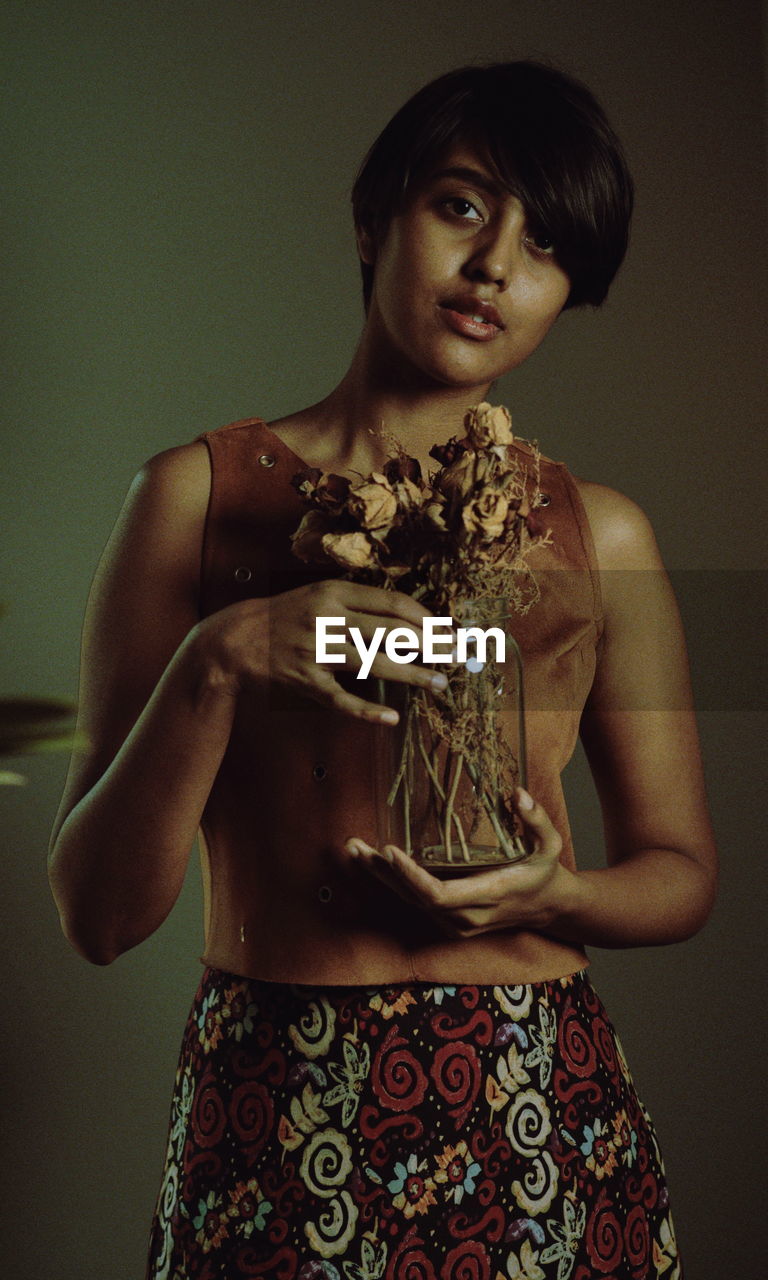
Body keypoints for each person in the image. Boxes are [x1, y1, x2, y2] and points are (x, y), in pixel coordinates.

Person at [48, 61, 716, 1279]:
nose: (496, 266)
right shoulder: (193, 501)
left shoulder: (598, 533)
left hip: (536, 1102)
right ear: (376, 215)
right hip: (274, 1100)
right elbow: (97, 913)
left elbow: (681, 871)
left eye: (548, 243)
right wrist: (221, 660)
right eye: (462, 205)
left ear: (570, 288)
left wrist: (552, 896)